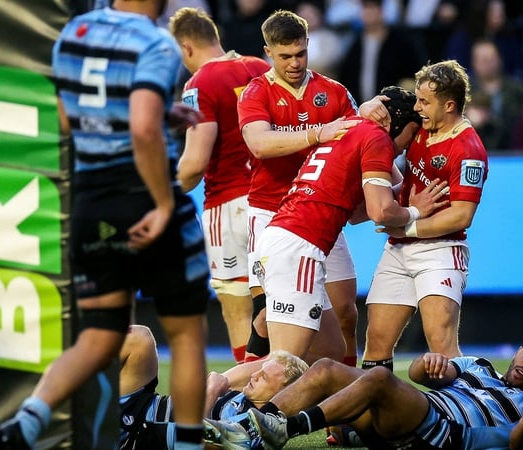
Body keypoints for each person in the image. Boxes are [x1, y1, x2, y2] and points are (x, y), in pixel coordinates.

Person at [0, 1, 210, 449]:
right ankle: (187, 445)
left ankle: (27, 421)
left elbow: (68, 118)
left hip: (92, 201)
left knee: (99, 336)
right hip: (145, 197)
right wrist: (164, 204)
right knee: (186, 335)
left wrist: (159, 119)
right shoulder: (156, 43)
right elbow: (143, 129)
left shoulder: (74, 33)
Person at [252, 86, 445, 363]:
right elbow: (380, 212)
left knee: (330, 350)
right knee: (283, 364)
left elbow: (357, 213)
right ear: (394, 123)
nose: (409, 143)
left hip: (284, 236)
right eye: (412, 133)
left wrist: (402, 197)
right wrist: (415, 210)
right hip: (300, 247)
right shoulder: (377, 138)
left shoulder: (351, 127)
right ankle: (214, 392)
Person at [237, 9, 365, 366]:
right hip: (270, 214)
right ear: (268, 52)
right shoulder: (255, 92)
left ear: (308, 45)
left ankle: (344, 409)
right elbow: (259, 144)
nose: (294, 63)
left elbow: (359, 140)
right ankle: (242, 400)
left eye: (300, 54)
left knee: (346, 312)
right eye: (285, 56)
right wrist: (315, 134)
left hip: (321, 213)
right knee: (266, 318)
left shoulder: (334, 92)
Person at [213, 332, 523, 450]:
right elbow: (419, 376)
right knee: (325, 370)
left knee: (380, 379)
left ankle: (286, 429)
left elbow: (517, 444)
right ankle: (245, 430)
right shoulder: (477, 365)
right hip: (415, 413)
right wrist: (428, 364)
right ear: (521, 349)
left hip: (441, 435)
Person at [362, 60, 488, 371]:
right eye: (418, 99)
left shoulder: (468, 150)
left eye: (424, 101)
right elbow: (372, 115)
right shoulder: (420, 124)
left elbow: (461, 216)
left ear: (449, 105)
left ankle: (478, 408)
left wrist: (409, 226)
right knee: (377, 340)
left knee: (441, 344)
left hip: (441, 251)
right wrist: (367, 105)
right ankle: (376, 418)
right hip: (398, 248)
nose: (417, 107)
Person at [169, 7, 271, 365]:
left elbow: (195, 164)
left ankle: (248, 401)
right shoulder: (262, 68)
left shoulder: (199, 84)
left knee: (238, 310)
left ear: (186, 47)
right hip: (275, 203)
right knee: (282, 307)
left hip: (229, 206)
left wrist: (158, 194)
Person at [117, 325, 308, 449]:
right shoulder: (248, 393)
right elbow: (266, 363)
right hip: (143, 404)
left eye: (263, 377)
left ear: (281, 393)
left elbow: (196, 442)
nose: (254, 375)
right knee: (139, 337)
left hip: (138, 435)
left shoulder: (253, 424)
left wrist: (211, 391)